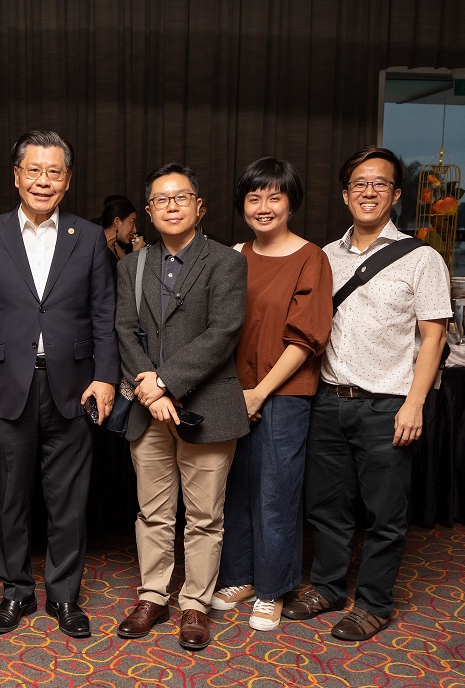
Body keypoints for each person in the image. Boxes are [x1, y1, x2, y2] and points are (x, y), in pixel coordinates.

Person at [283, 146, 450, 641]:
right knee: (326, 507)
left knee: (384, 513)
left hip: (387, 404)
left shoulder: (422, 258)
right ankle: (328, 588)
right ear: (345, 195)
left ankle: (375, 603)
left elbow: (434, 338)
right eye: (360, 183)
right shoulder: (324, 256)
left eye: (380, 183)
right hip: (328, 399)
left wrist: (415, 404)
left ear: (395, 195)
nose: (369, 191)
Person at [0, 129, 118, 639]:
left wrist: (106, 378)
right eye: (34, 170)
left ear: (67, 180)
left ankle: (64, 595)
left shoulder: (87, 237)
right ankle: (15, 592)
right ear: (16, 176)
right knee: (10, 499)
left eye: (54, 172)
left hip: (73, 387)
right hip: (6, 386)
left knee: (68, 501)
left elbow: (104, 316)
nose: (43, 181)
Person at [113, 163, 248, 650]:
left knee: (204, 515)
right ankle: (153, 595)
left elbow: (223, 332)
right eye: (161, 200)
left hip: (207, 407)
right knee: (152, 512)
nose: (171, 206)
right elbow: (124, 330)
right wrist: (149, 390)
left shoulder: (226, 262)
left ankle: (195, 604)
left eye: (181, 197)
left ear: (199, 206)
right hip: (147, 409)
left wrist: (166, 382)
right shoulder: (132, 266)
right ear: (149, 212)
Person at [210, 158, 333, 632]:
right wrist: (237, 392)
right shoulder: (232, 254)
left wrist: (259, 393)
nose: (263, 207)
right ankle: (240, 576)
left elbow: (305, 338)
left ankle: (273, 588)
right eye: (253, 197)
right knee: (235, 487)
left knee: (276, 492)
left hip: (283, 392)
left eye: (274, 197)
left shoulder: (311, 258)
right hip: (231, 390)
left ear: (291, 204)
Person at [99, 195, 144, 264]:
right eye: (132, 222)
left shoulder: (114, 246)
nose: (135, 230)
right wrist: (136, 254)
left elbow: (124, 266)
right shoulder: (98, 249)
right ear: (117, 222)